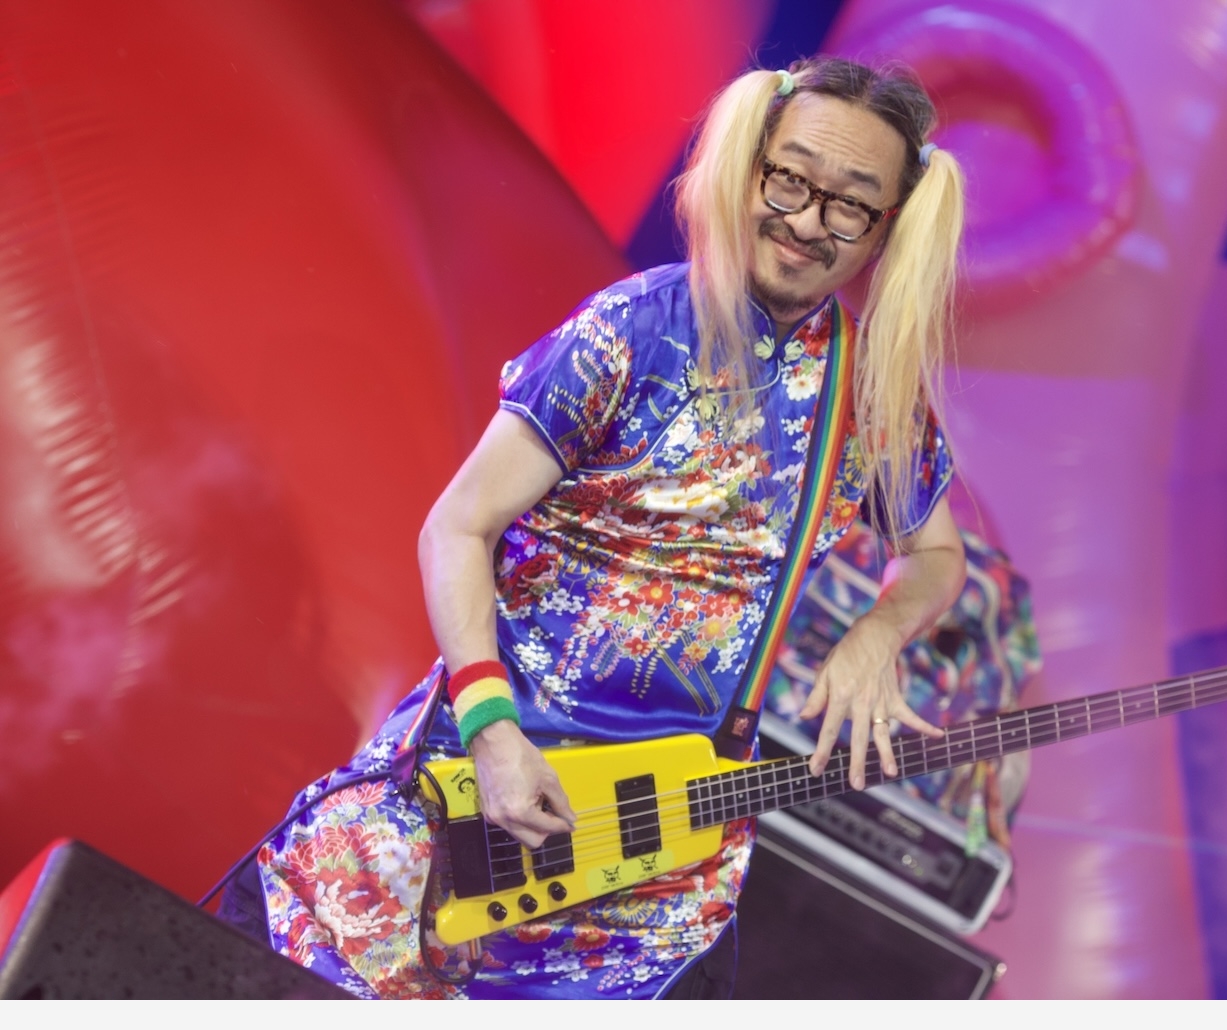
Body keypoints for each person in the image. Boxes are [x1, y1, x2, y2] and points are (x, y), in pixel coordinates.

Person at [236, 55, 968, 999]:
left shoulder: (871, 396)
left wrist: (880, 631)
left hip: (654, 864)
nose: (803, 220)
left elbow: (935, 555)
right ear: (749, 169)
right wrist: (492, 732)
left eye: (849, 206)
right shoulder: (633, 328)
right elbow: (458, 527)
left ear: (887, 226)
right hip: (474, 797)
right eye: (788, 179)